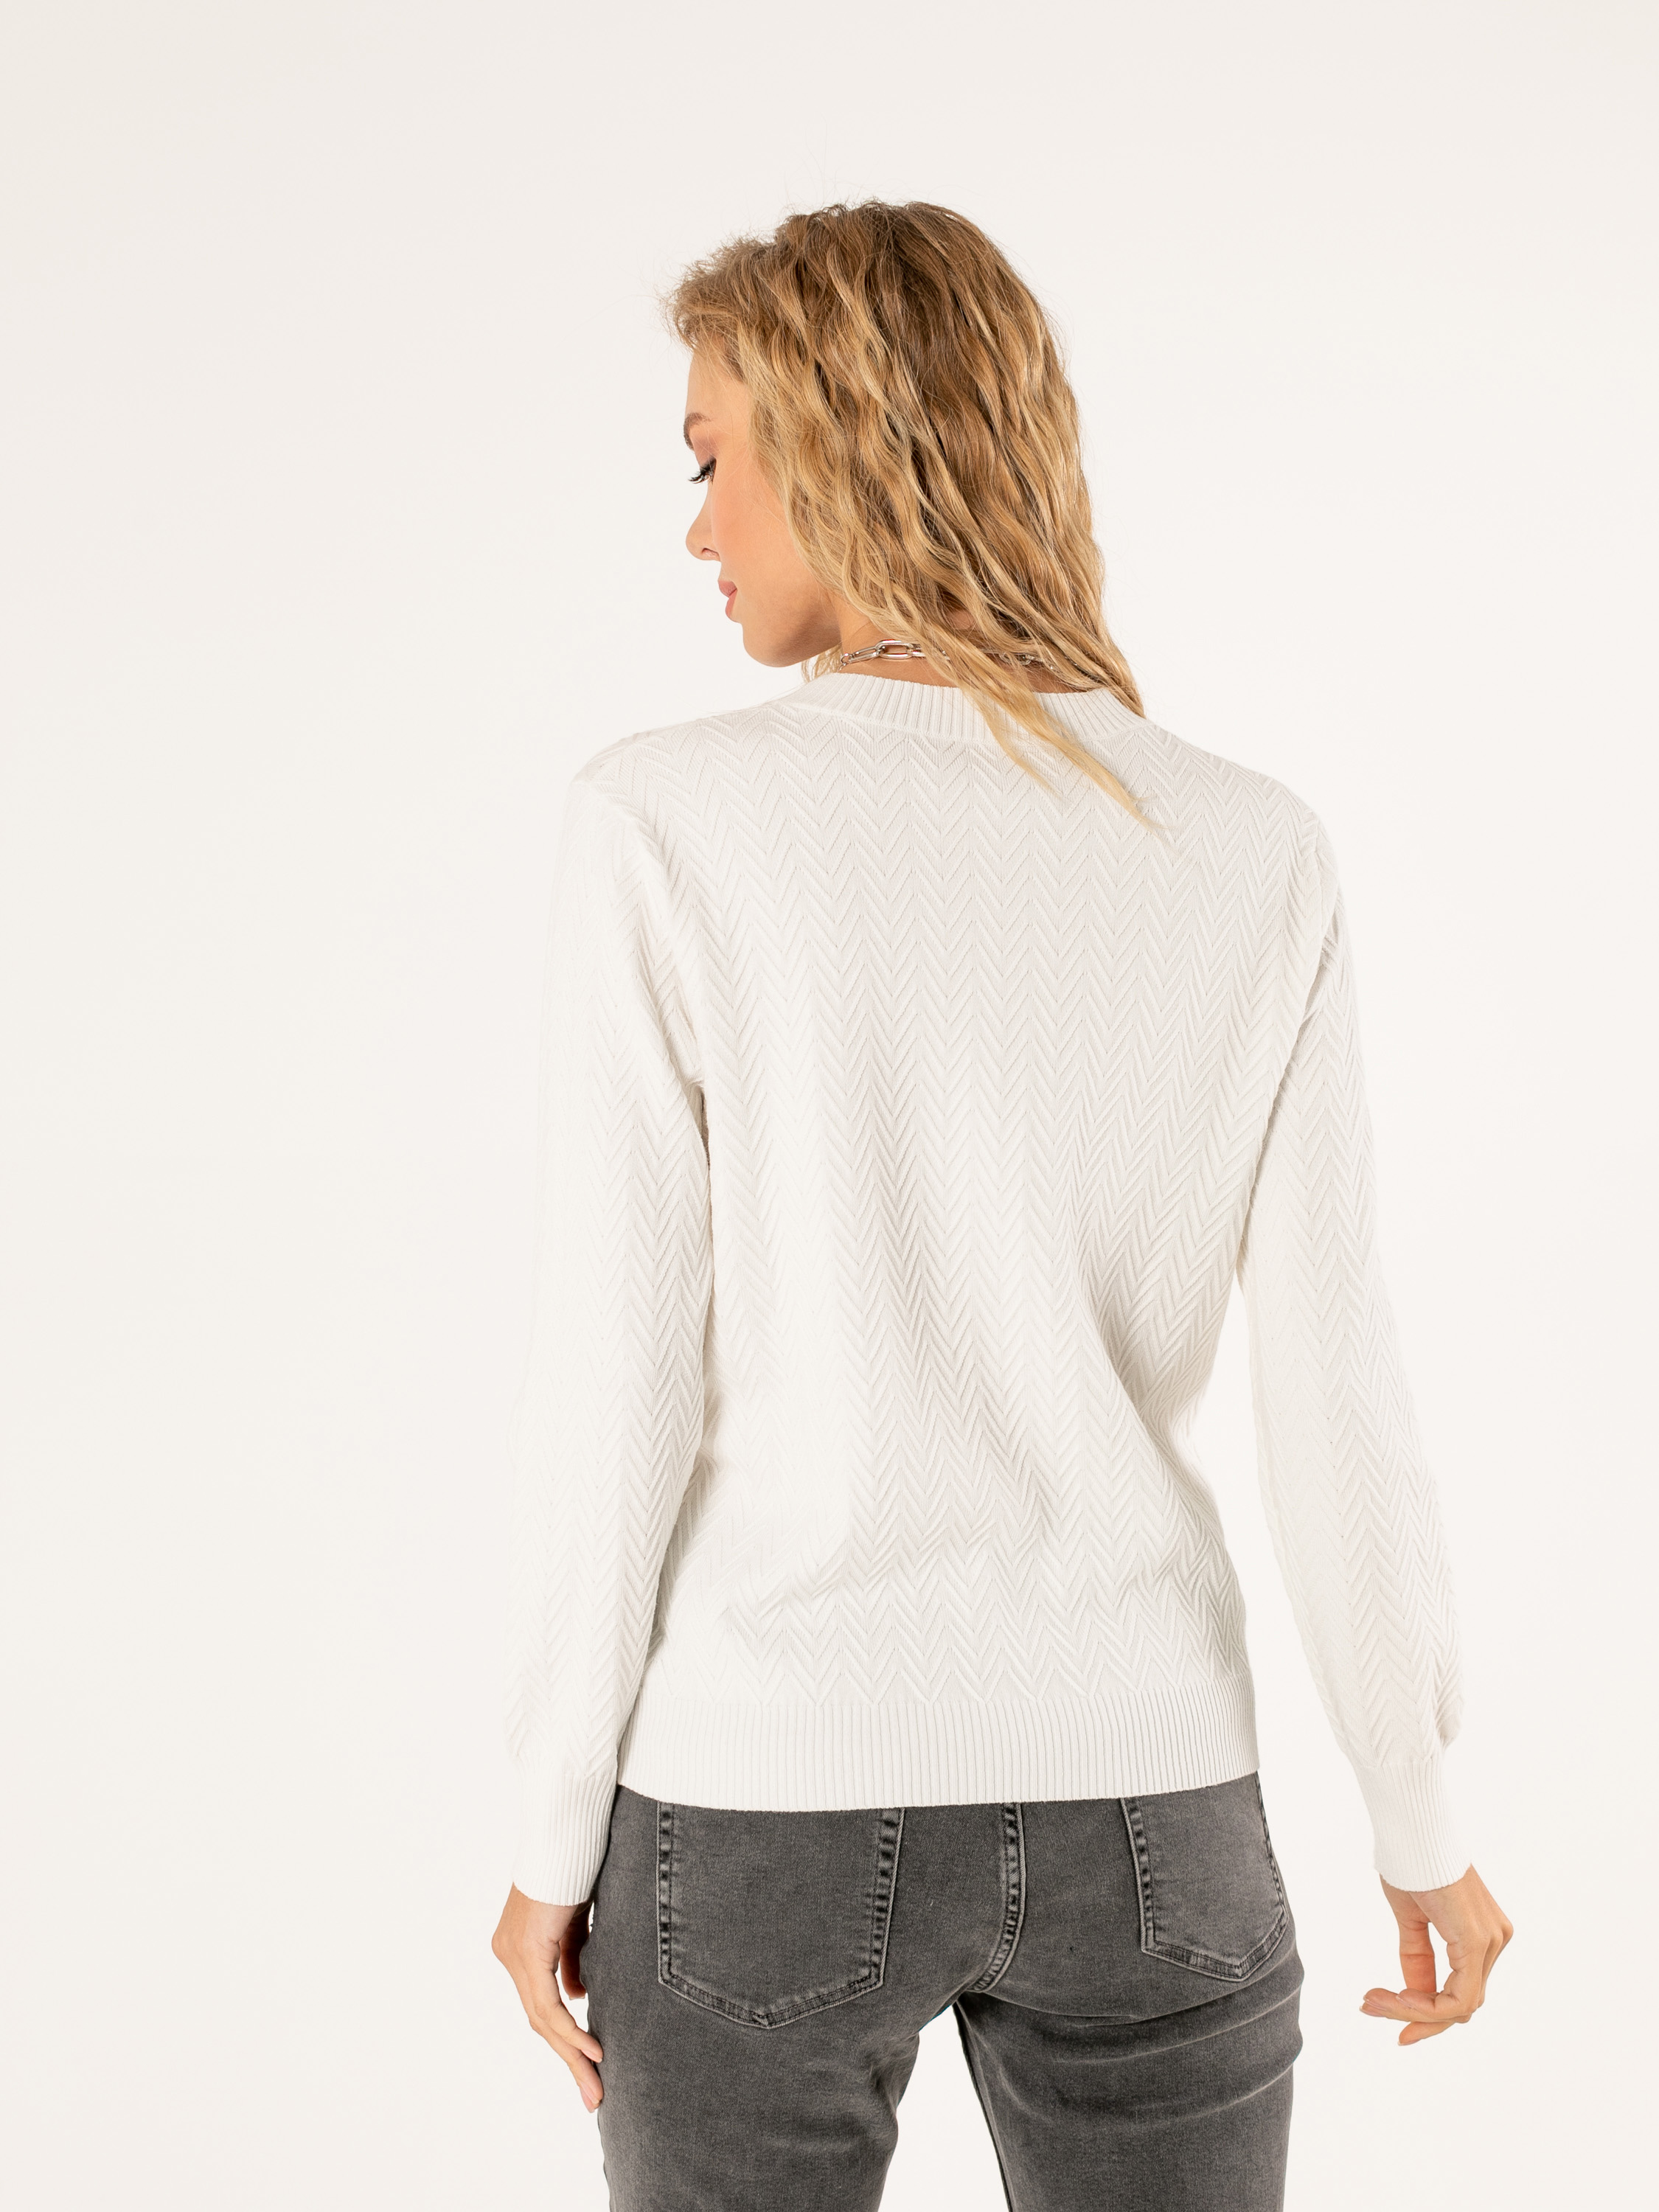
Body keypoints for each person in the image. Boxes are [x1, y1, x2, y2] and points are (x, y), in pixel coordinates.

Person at [491, 200, 1512, 2211]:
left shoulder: (664, 823)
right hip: (1153, 1807)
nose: (697, 533)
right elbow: (1339, 1388)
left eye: (711, 461)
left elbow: (617, 1385)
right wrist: (1416, 1820)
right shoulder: (1246, 845)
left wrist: (545, 1839)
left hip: (760, 1803)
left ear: (833, 440)